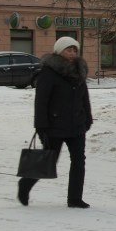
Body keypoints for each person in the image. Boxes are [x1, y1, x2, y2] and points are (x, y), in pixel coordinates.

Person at [19, 37, 93, 208]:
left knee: (79, 161)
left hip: (77, 125)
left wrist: (87, 118)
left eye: (74, 50)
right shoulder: (49, 72)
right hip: (54, 126)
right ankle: (25, 183)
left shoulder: (79, 70)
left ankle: (75, 199)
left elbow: (84, 97)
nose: (72, 54)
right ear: (59, 51)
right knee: (49, 160)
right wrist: (41, 126)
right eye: (68, 50)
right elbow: (41, 101)